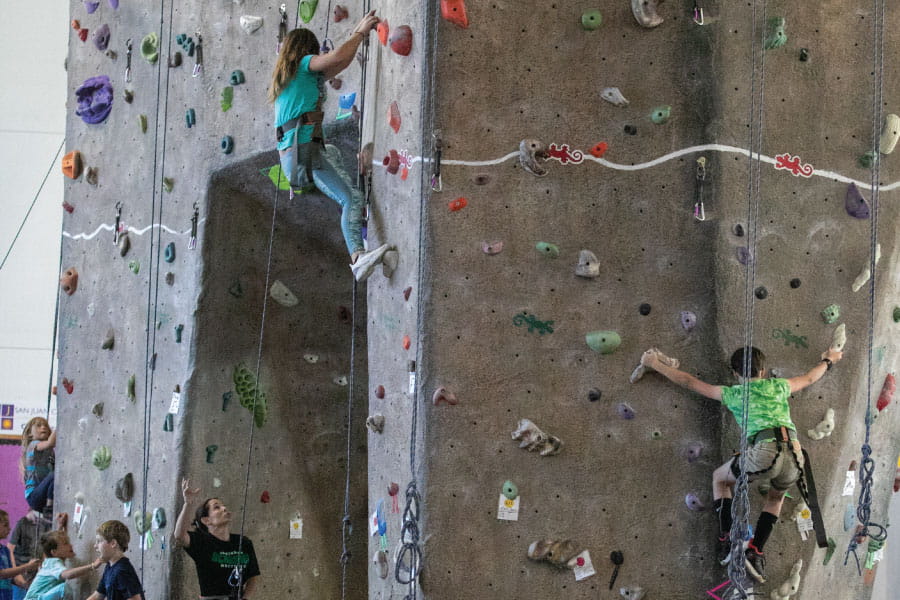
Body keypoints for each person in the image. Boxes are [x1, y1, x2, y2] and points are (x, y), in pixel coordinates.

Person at [639, 345, 842, 583]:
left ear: (735, 374)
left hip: (765, 451)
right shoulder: (779, 386)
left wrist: (654, 363)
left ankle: (727, 539)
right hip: (795, 454)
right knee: (776, 498)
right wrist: (829, 360)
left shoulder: (734, 393)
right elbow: (809, 377)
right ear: (764, 371)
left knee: (720, 479)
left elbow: (688, 382)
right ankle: (755, 551)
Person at [269, 9, 392, 282]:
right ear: (304, 51)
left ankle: (354, 191)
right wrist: (359, 31)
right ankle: (358, 258)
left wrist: (358, 38)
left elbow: (341, 63)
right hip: (304, 153)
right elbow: (335, 57)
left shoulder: (297, 79)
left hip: (299, 155)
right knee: (351, 199)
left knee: (334, 152)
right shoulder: (302, 65)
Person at [175, 479, 260, 600]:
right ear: (206, 520)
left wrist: (245, 598)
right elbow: (179, 535)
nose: (224, 508)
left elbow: (253, 576)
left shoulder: (244, 542)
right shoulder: (202, 542)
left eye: (223, 506)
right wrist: (187, 503)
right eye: (217, 507)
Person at [24, 529, 102, 600]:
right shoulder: (53, 562)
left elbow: (53, 543)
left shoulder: (49, 561)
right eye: (65, 543)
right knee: (64, 589)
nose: (70, 545)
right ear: (54, 552)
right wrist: (93, 566)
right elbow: (67, 575)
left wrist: (62, 526)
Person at [85, 520, 144, 600]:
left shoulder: (122, 570)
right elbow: (97, 596)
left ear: (113, 543)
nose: (95, 546)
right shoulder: (110, 566)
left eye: (99, 541)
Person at [8, 513, 53, 600]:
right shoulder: (22, 523)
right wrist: (15, 574)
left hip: (35, 575)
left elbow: (46, 549)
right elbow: (10, 549)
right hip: (20, 572)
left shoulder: (46, 525)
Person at [19, 418, 56, 520]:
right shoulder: (33, 445)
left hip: (43, 495)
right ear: (30, 434)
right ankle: (49, 508)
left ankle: (50, 505)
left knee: (56, 474)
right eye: (38, 426)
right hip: (34, 496)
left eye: (45, 425)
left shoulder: (51, 452)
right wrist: (59, 426)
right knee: (55, 474)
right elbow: (50, 443)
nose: (43, 427)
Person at [0, 511, 41, 600]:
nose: (9, 529)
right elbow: (2, 573)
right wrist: (27, 566)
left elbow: (12, 575)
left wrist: (27, 585)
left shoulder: (5, 551)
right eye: (5, 525)